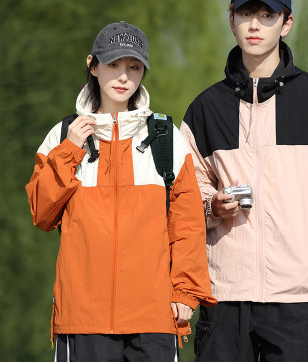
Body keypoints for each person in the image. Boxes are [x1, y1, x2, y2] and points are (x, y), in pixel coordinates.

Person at [180, 0, 308, 362]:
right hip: (224, 295)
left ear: (286, 23)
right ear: (231, 19)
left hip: (297, 296)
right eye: (246, 13)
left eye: (267, 15)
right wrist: (212, 206)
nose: (255, 24)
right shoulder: (204, 109)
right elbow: (183, 196)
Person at [26, 21, 217, 362]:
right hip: (82, 318)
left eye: (134, 67)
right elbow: (41, 214)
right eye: (113, 64)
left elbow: (187, 224)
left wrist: (186, 292)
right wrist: (69, 150)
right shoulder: (62, 135)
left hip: (154, 318)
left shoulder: (166, 137)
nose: (123, 76)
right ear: (93, 66)